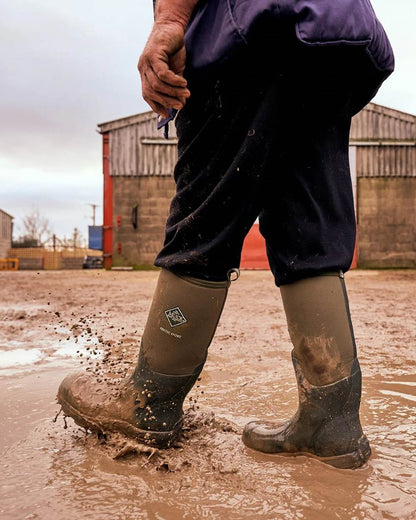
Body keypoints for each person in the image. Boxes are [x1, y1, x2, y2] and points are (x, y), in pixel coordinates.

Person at [57, 0, 394, 469]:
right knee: (306, 228)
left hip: (252, 30)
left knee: (205, 220)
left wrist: (170, 21)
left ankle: (149, 405)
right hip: (336, 38)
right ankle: (332, 421)